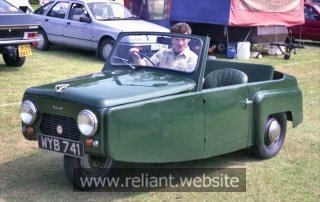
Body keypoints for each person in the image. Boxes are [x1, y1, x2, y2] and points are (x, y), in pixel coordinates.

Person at [129, 22, 198, 72]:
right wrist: (136, 57)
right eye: (177, 39)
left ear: (189, 39)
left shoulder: (192, 58)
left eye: (183, 39)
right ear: (172, 39)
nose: (180, 43)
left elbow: (188, 82)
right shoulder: (162, 53)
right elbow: (145, 66)